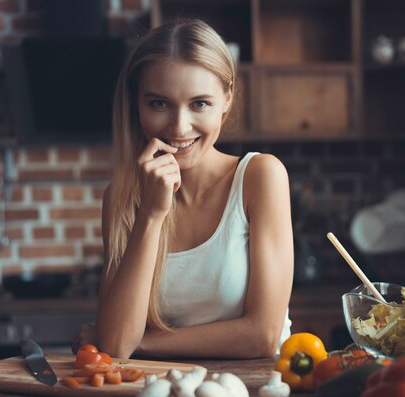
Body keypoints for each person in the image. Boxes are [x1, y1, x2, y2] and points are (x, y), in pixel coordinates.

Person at [72, 19, 294, 359]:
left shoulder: (260, 177)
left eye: (199, 103)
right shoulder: (121, 199)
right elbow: (116, 346)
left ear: (227, 99)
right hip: (159, 395)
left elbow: (262, 335)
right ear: (136, 104)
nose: (179, 127)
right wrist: (151, 215)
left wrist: (141, 342)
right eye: (159, 103)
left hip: (255, 395)